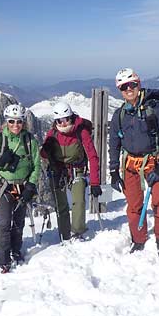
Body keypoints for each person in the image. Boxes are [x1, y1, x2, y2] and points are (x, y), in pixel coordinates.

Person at [108, 68, 159, 256]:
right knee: (134, 204)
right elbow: (113, 142)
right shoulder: (120, 114)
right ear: (119, 90)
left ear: (139, 83)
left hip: (155, 162)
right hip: (131, 164)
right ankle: (138, 239)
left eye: (132, 84)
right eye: (124, 87)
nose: (129, 89)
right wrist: (114, 171)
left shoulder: (156, 108)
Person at [0, 104, 41, 273]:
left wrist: (31, 185)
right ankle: (3, 258)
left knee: (18, 223)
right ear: (6, 122)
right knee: (4, 224)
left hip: (23, 186)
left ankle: (16, 251)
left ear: (23, 122)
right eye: (12, 121)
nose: (15, 125)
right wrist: (0, 162)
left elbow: (36, 165)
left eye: (19, 121)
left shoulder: (30, 141)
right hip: (4, 187)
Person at [40, 102, 101, 241]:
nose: (63, 123)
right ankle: (65, 235)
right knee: (61, 205)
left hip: (77, 170)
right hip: (58, 171)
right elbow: (43, 155)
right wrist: (46, 148)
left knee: (78, 201)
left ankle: (77, 232)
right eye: (59, 121)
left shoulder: (81, 132)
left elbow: (92, 156)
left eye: (66, 119)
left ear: (71, 117)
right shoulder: (53, 133)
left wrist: (95, 182)